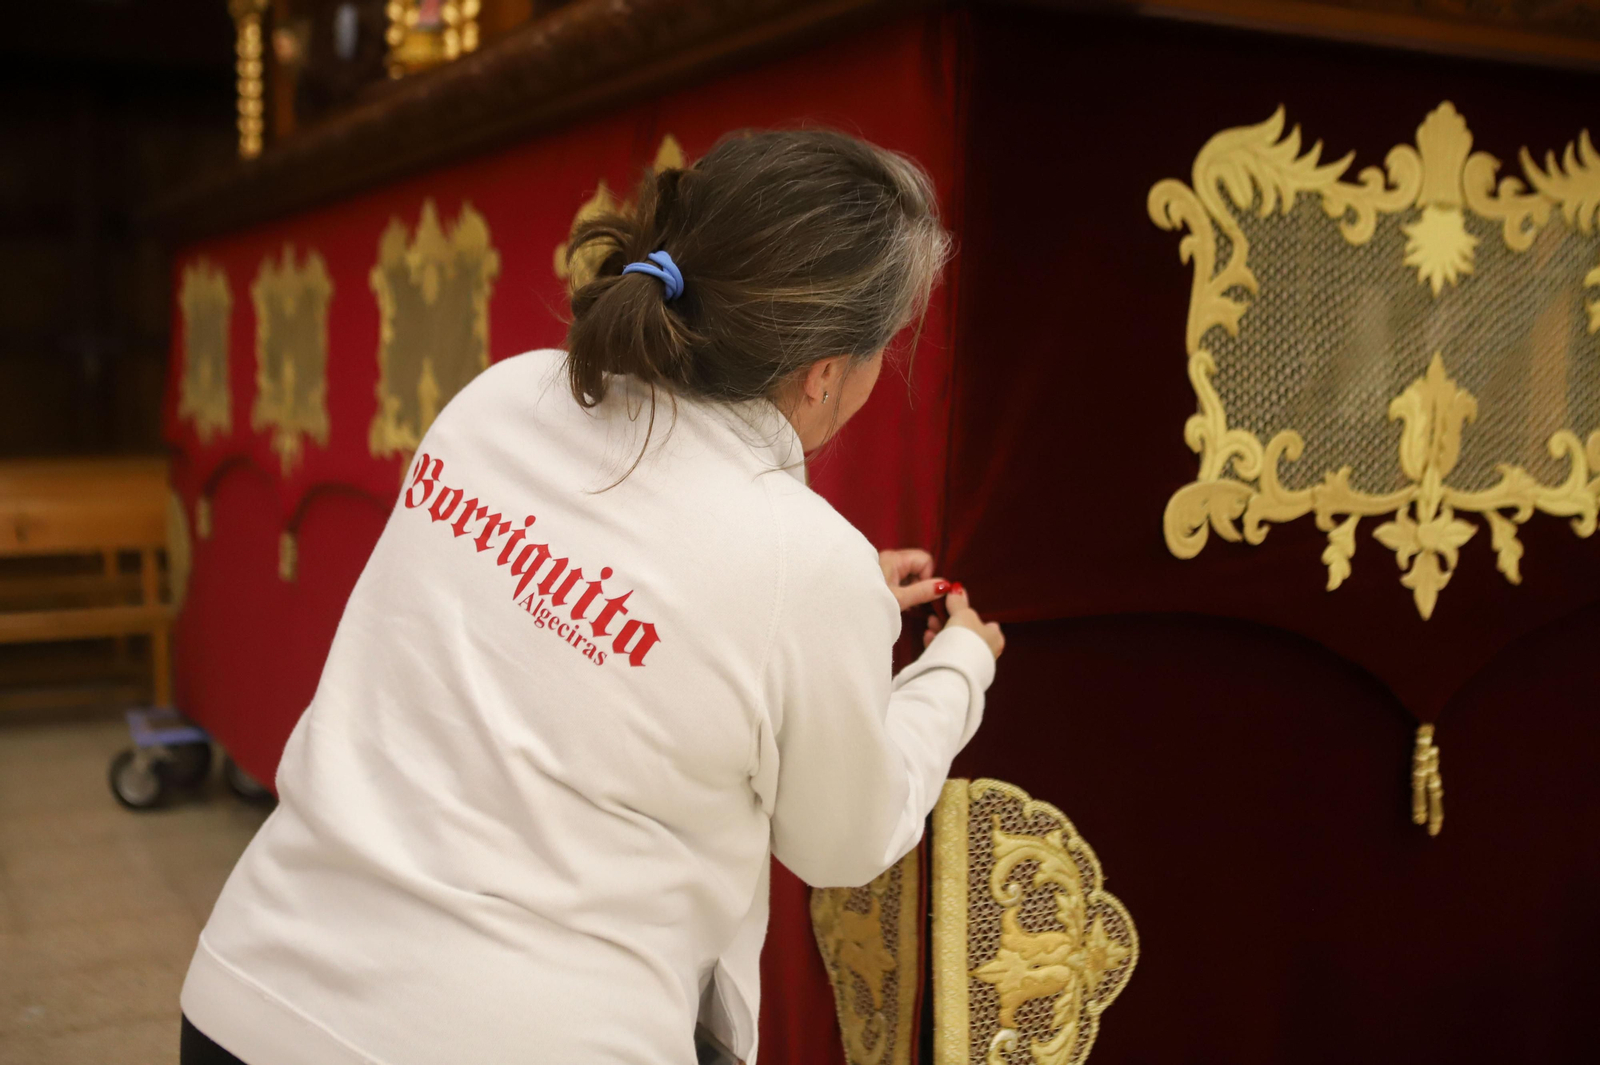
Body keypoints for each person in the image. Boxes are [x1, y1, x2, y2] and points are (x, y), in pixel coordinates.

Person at [179, 129, 1003, 1065]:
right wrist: (957, 667)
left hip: (251, 994)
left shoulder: (505, 394)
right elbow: (843, 837)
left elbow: (637, 596)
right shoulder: (801, 559)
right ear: (823, 375)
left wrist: (837, 610)